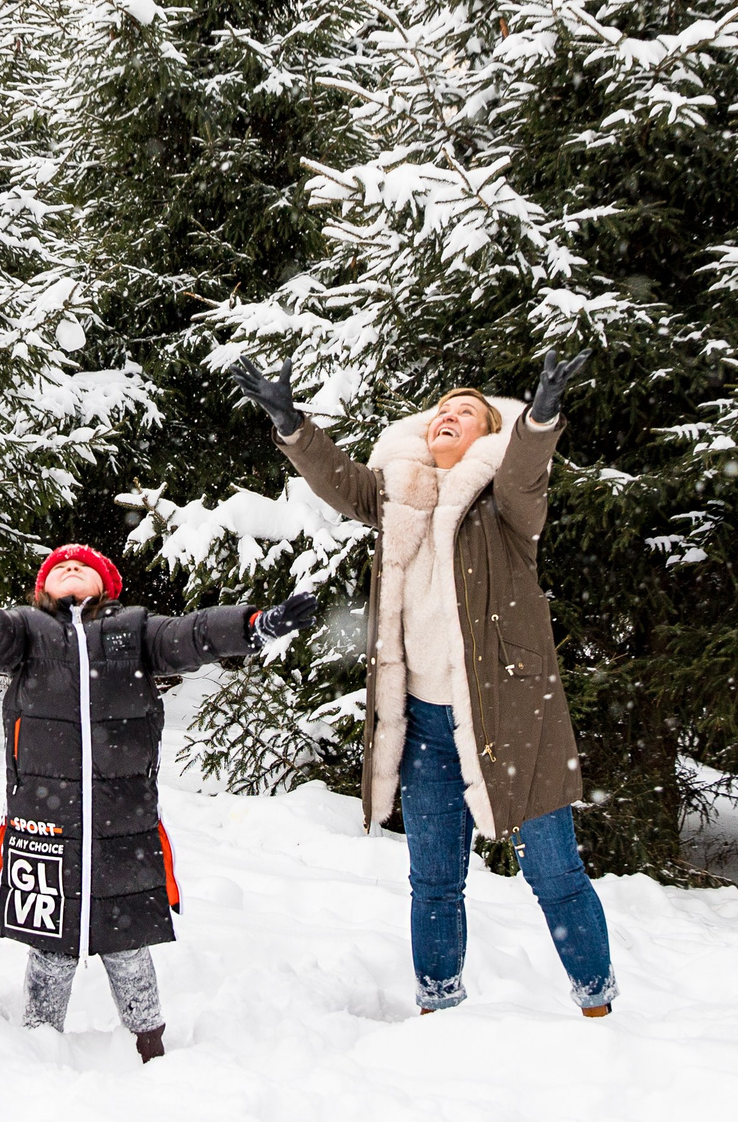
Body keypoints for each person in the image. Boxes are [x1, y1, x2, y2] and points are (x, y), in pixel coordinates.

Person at [230, 348, 615, 1018]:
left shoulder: (505, 509)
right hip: (425, 724)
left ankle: (598, 1006)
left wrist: (542, 412)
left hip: (512, 718)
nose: (446, 416)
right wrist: (291, 423)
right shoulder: (397, 501)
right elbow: (341, 480)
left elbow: (527, 471)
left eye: (464, 413)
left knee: (554, 875)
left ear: (487, 434)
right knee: (434, 881)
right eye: (441, 410)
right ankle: (438, 1010)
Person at [0, 542, 321, 1061]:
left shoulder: (135, 631)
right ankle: (39, 1043)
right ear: (43, 589)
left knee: (129, 942)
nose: (70, 569)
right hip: (44, 822)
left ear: (105, 586)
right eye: (60, 567)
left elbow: (195, 634)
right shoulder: (25, 632)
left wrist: (253, 626)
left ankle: (149, 1040)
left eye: (81, 567)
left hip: (124, 819)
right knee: (49, 947)